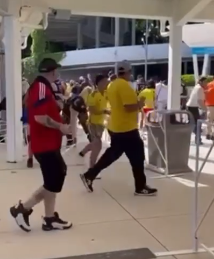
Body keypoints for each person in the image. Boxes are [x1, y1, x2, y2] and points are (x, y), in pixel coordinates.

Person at [10, 58, 72, 232]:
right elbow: (39, 117)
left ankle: (50, 218)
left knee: (52, 179)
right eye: (56, 72)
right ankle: (22, 209)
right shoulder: (42, 88)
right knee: (57, 177)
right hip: (45, 145)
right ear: (52, 72)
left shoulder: (40, 88)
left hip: (47, 144)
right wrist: (61, 126)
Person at [80, 61, 157, 196]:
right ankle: (140, 187)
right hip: (126, 128)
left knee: (113, 154)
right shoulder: (124, 86)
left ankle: (90, 175)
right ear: (128, 72)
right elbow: (128, 107)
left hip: (116, 126)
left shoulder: (112, 85)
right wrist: (140, 103)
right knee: (137, 157)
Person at [79, 74, 109, 173]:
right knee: (97, 145)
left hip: (101, 124)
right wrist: (105, 111)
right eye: (104, 82)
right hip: (93, 124)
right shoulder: (93, 95)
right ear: (98, 83)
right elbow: (91, 110)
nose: (106, 83)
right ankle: (91, 169)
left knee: (95, 143)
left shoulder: (106, 93)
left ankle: (83, 152)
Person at [186, 76, 207, 145]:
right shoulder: (200, 88)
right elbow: (200, 101)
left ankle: (194, 138)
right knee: (197, 124)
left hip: (190, 107)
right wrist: (205, 109)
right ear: (201, 82)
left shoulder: (196, 87)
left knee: (193, 124)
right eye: (205, 82)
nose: (206, 83)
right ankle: (198, 140)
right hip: (194, 107)